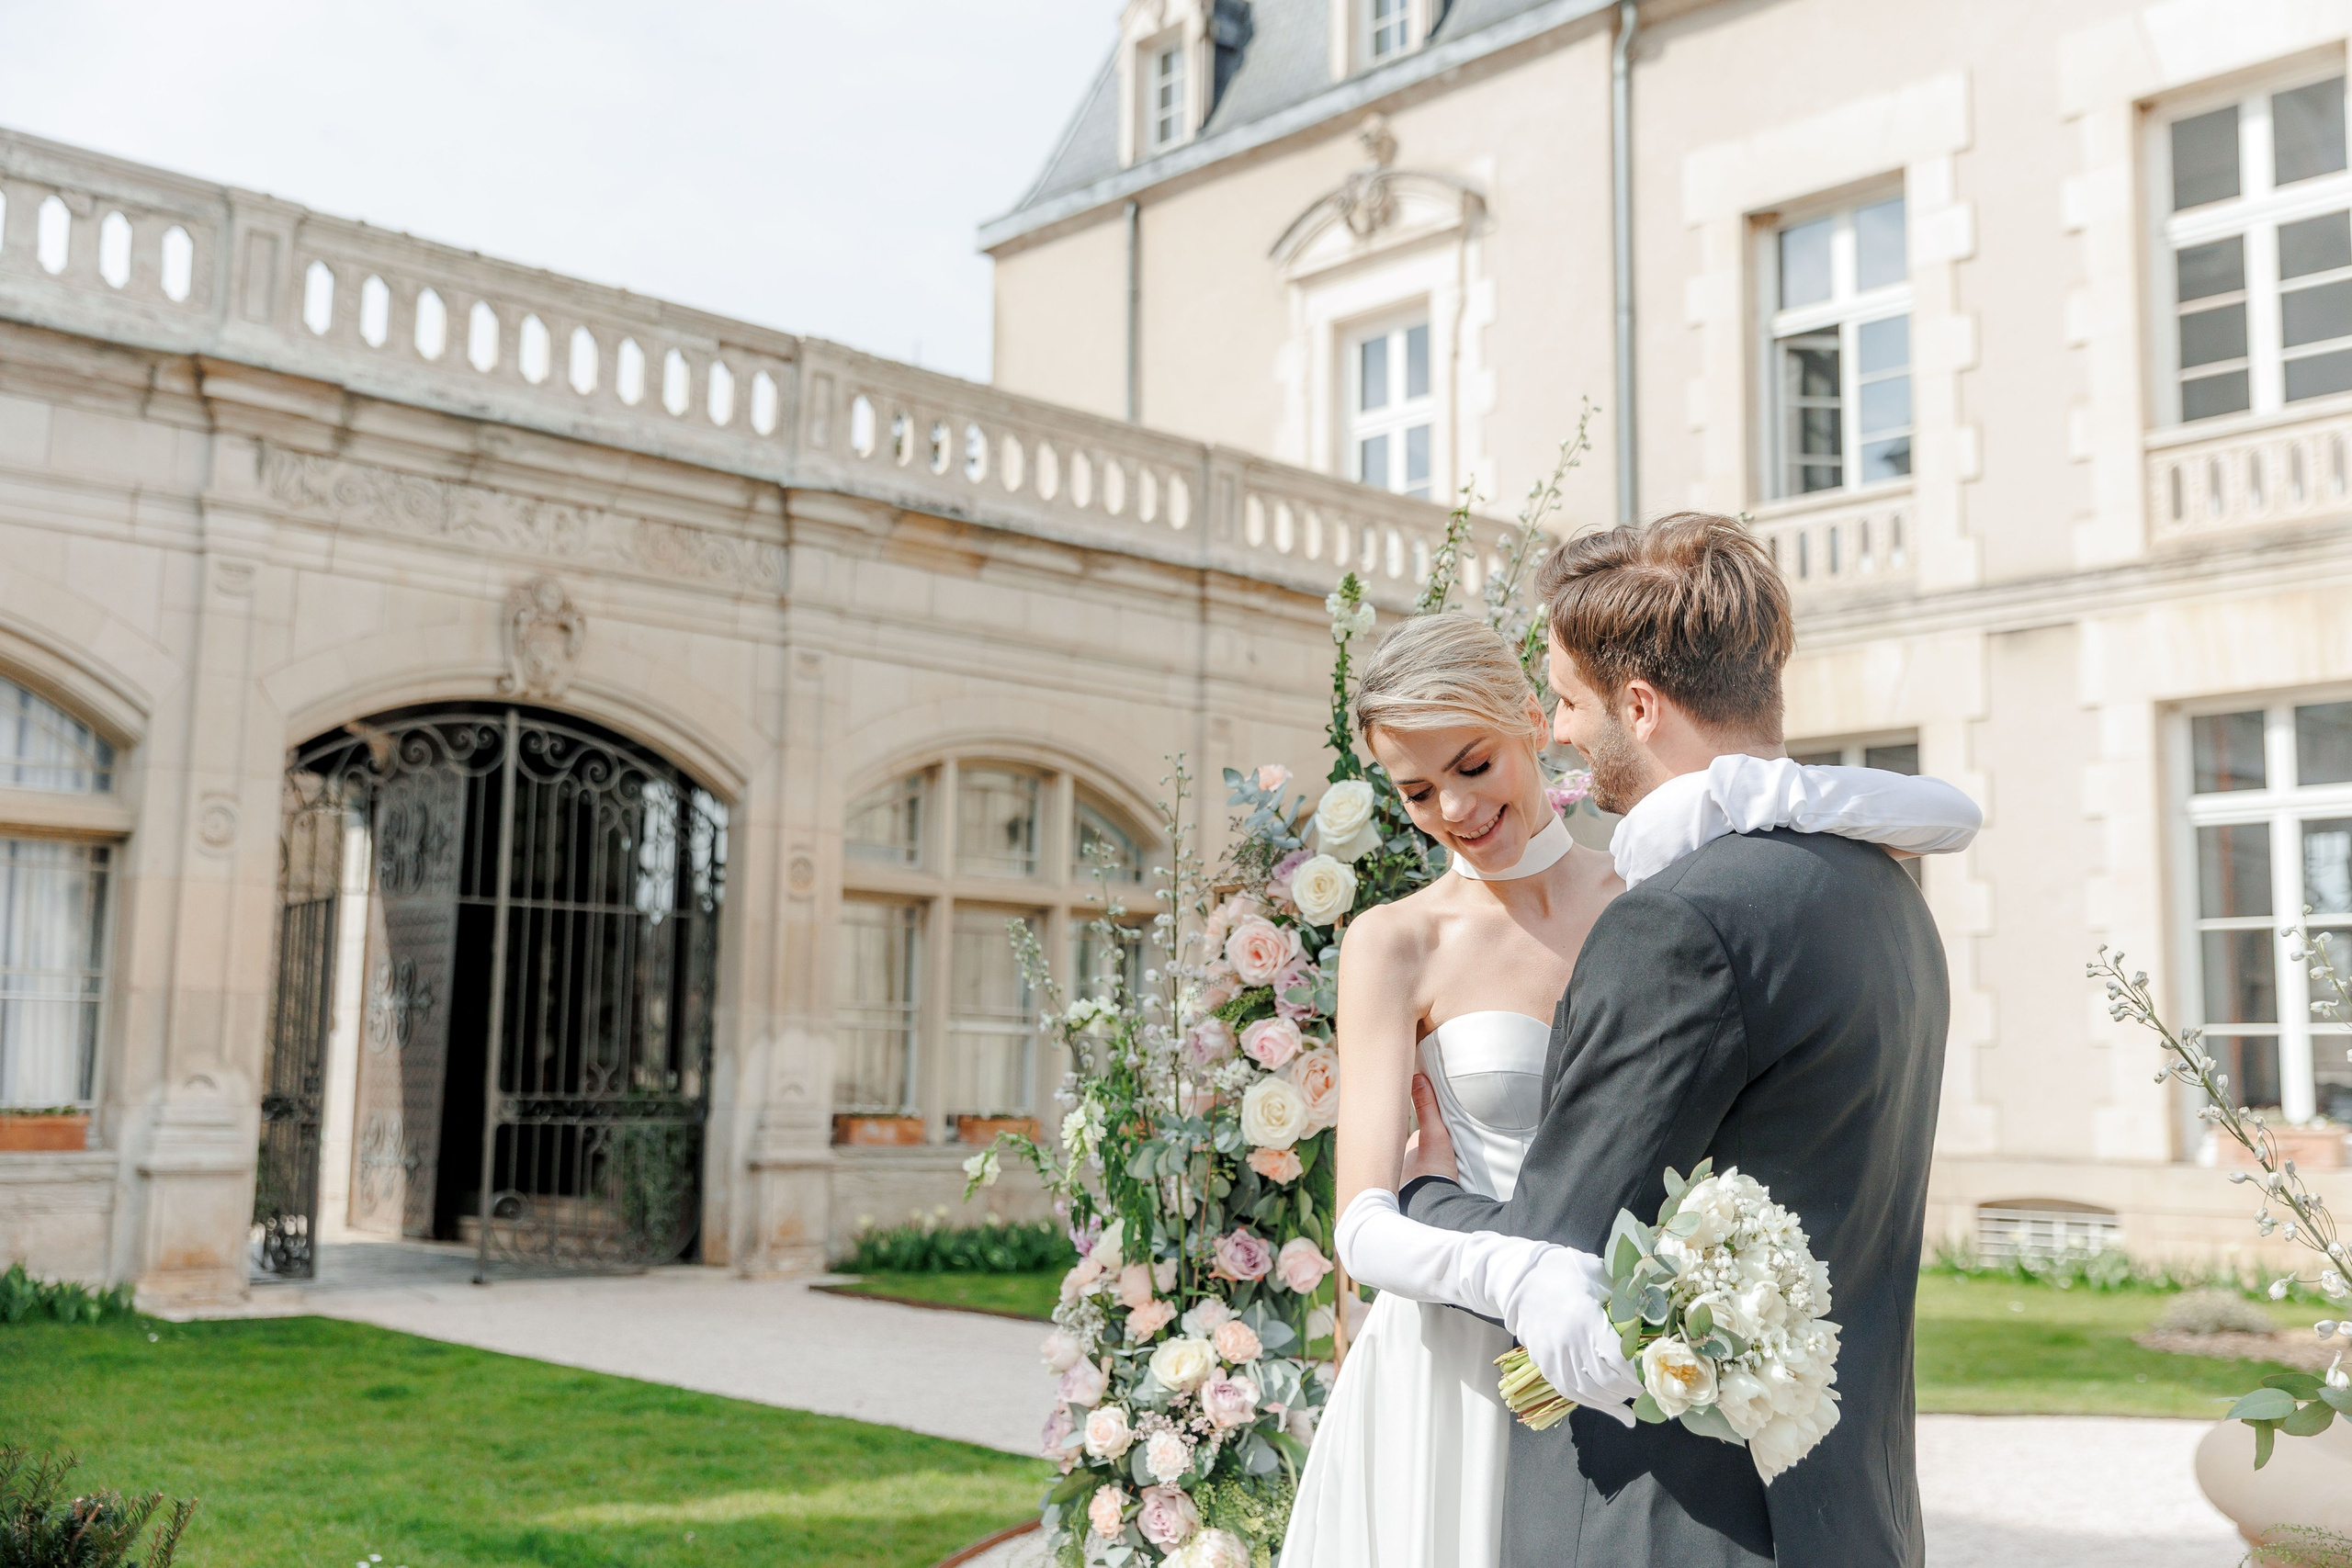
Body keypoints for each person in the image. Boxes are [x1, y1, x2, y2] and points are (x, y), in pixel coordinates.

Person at [1283, 517, 1968, 1568]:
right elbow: (1366, 1224)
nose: (1456, 806)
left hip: (1623, 1418)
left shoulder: (1663, 904)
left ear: (1560, 712)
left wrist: (1428, 1196)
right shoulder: (1876, 888)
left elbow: (1570, 1233)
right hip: (1484, 1369)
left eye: (1481, 757)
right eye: (1417, 793)